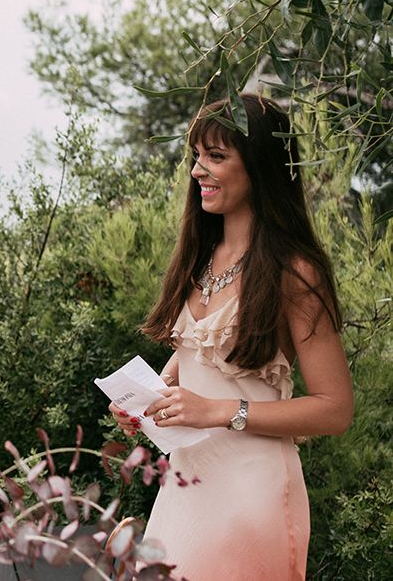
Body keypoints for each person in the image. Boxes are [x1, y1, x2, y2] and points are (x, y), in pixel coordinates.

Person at [110, 94, 353, 580]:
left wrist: (221, 411)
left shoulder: (295, 273)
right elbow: (193, 358)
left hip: (251, 495)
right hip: (185, 488)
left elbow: (336, 408)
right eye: (197, 155)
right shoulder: (201, 258)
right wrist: (150, 401)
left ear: (259, 166)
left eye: (217, 156)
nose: (199, 169)